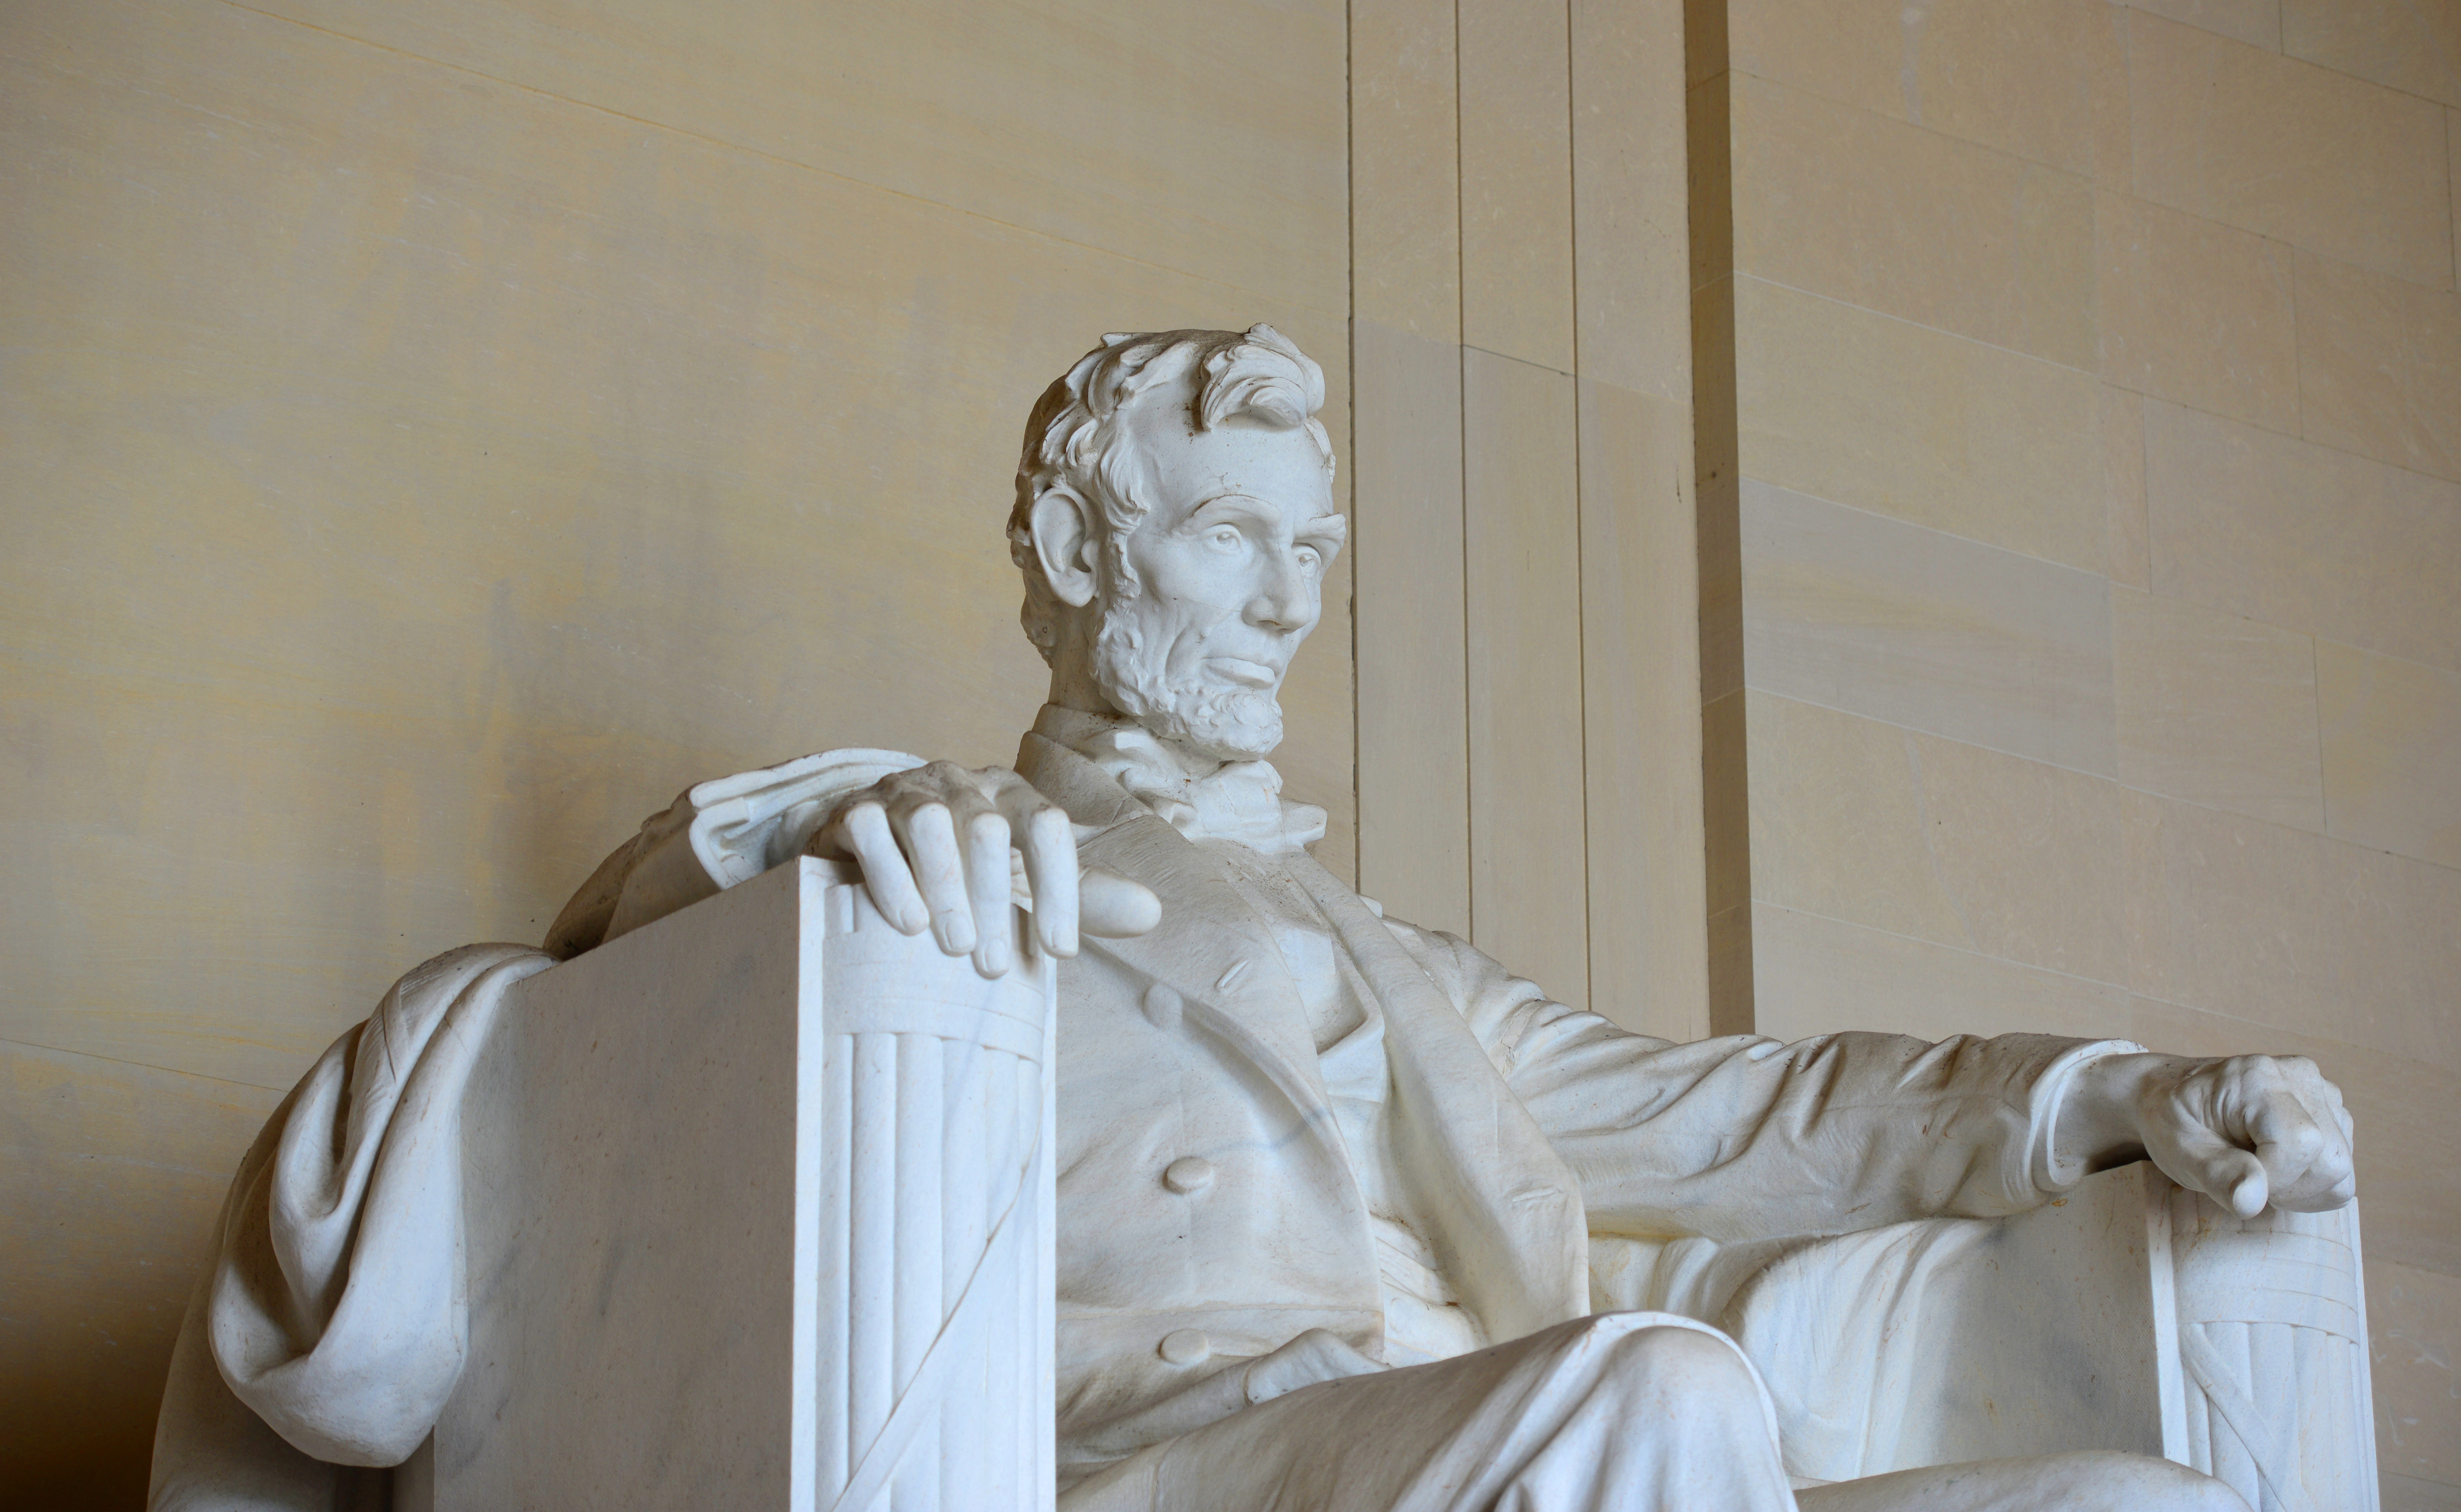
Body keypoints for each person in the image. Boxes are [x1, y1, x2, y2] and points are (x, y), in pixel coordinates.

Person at [546, 325, 2351, 1511]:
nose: (1282, 610)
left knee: (2136, 1506)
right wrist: (850, 825)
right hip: (1188, 1466)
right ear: (1084, 554)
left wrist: (2117, 1099)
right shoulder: (937, 855)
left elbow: (1758, 1115)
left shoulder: (1409, 970)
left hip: (1496, 1451)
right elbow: (610, 957)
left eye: (1310, 554)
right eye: (1229, 541)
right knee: (1664, 1400)